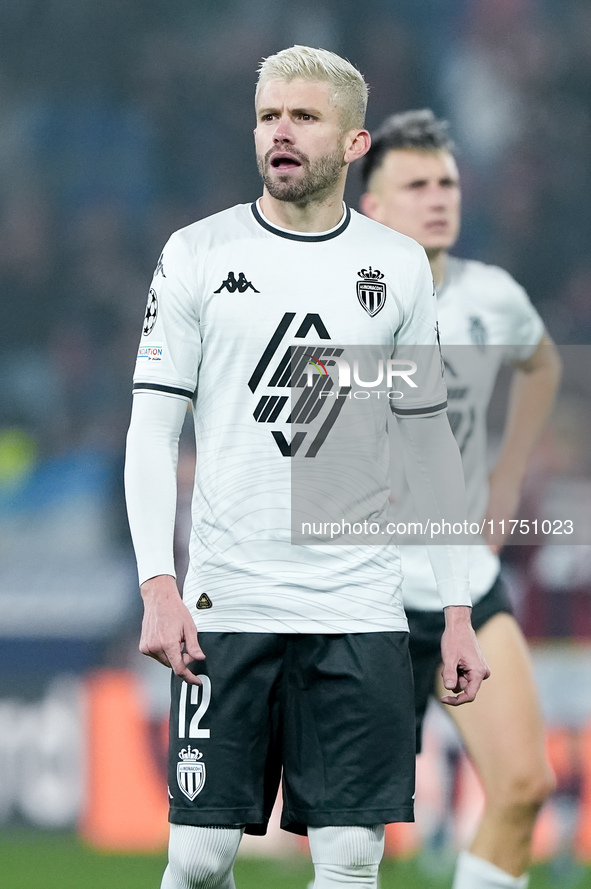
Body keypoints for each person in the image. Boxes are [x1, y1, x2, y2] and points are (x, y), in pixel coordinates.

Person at [124, 51, 489, 889]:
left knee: (352, 859)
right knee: (202, 856)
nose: (279, 131)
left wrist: (459, 605)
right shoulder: (197, 254)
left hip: (358, 606)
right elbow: (152, 429)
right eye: (266, 116)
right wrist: (157, 582)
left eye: (303, 117)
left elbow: (429, 438)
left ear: (354, 141)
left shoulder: (395, 266)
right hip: (229, 600)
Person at [360, 109, 561, 889]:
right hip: (367, 596)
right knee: (353, 830)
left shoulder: (492, 294)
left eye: (446, 181)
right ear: (372, 207)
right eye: (415, 184)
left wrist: (509, 472)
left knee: (521, 787)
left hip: (466, 586)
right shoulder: (342, 299)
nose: (438, 197)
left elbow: (540, 366)